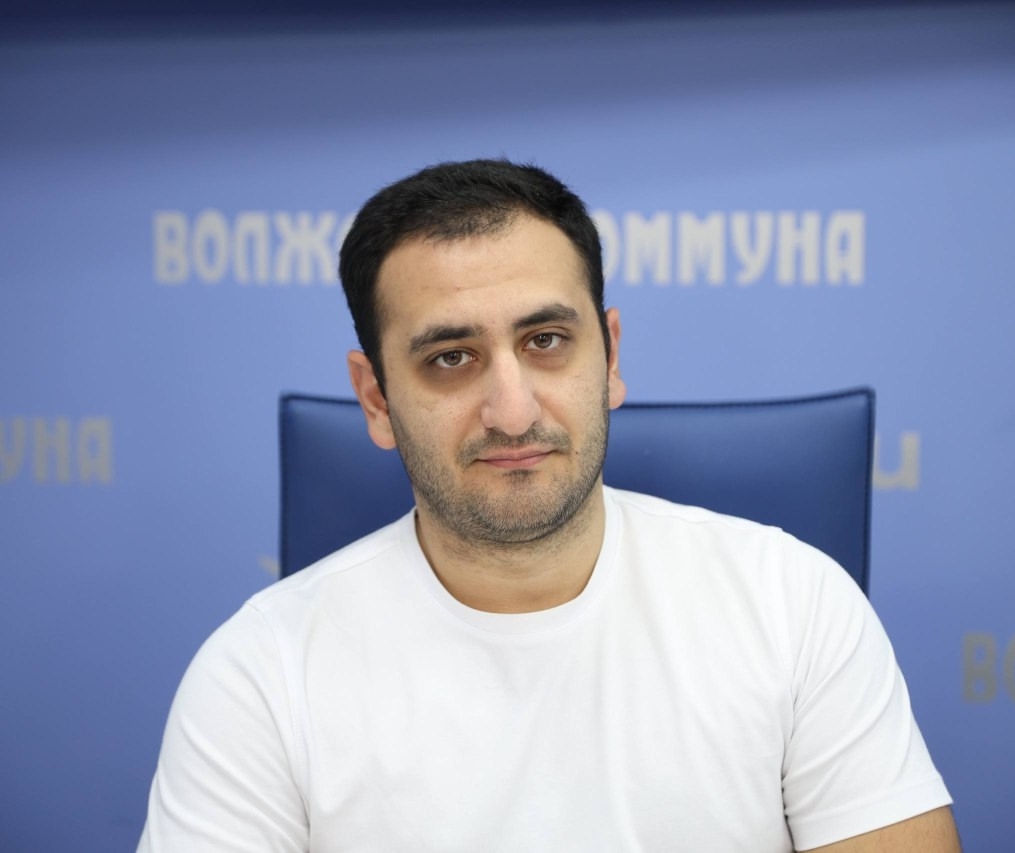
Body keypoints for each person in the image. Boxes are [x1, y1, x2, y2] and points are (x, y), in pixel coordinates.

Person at [138, 159, 959, 852]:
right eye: (451, 357)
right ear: (376, 398)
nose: (513, 409)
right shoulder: (258, 677)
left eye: (545, 341)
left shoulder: (793, 603)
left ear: (610, 357)